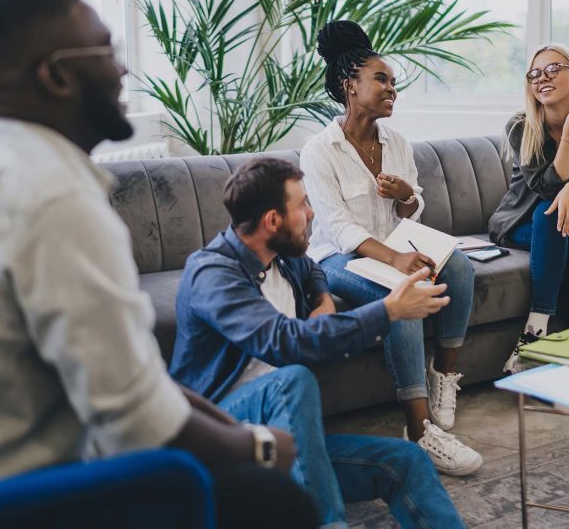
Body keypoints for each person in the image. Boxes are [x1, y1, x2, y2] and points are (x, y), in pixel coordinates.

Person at [0, 0, 318, 527]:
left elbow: (139, 383)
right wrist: (259, 448)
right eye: (105, 50)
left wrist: (241, 434)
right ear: (57, 76)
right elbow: (140, 423)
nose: (122, 70)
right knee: (275, 502)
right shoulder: (49, 197)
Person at [169, 157, 467, 528]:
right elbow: (282, 342)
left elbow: (312, 268)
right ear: (273, 221)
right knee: (291, 379)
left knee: (406, 459)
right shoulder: (212, 274)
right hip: (220, 440)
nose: (312, 214)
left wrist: (322, 300)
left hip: (281, 444)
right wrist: (387, 310)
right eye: (302, 205)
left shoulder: (283, 255)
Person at [298, 20, 482, 476]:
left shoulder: (397, 142)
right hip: (339, 258)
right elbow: (339, 229)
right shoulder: (320, 150)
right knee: (400, 296)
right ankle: (419, 431)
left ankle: (445, 377)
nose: (391, 90)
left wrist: (405, 196)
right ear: (349, 86)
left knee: (459, 267)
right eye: (381, 79)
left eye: (394, 83)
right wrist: (397, 260)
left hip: (395, 244)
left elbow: (414, 207)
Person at [487, 44, 569, 371]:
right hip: (520, 221)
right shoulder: (520, 126)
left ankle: (533, 335)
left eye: (553, 69)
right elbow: (546, 188)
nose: (542, 78)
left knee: (557, 219)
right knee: (552, 218)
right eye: (534, 74)